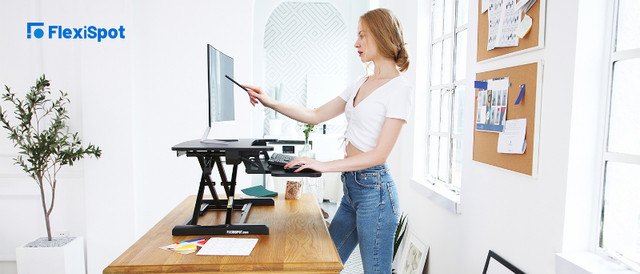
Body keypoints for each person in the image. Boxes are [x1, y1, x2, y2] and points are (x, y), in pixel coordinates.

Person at [243, 8, 413, 273]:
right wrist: (269, 101)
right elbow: (315, 115)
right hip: (353, 190)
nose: (356, 43)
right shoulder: (360, 82)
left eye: (362, 36)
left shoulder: (399, 88)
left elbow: (380, 155)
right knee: (322, 264)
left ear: (381, 36)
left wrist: (323, 164)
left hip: (376, 194)